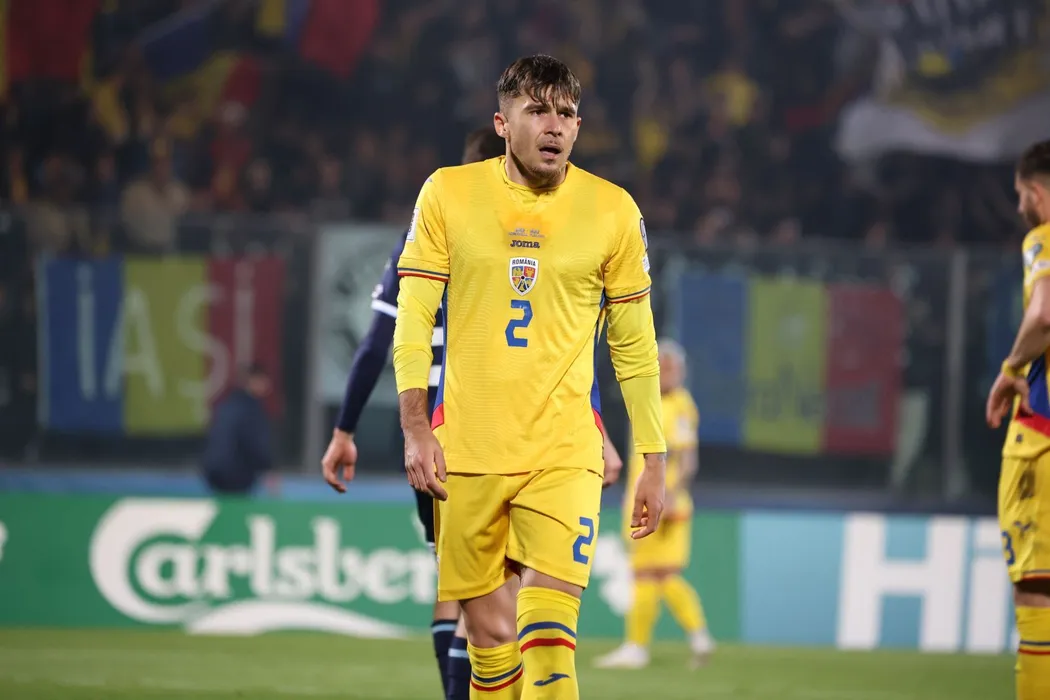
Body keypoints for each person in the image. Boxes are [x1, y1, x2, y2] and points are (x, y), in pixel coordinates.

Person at [392, 54, 666, 700]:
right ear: (502, 123)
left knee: (548, 636)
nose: (554, 125)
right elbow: (414, 317)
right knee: (491, 646)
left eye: (566, 113)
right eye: (537, 110)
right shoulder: (448, 193)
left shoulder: (612, 210)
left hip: (564, 453)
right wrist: (414, 427)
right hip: (467, 452)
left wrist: (653, 457)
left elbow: (634, 345)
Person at [322, 126, 626, 700]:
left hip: (440, 433)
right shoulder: (547, 232)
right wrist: (600, 430)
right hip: (514, 434)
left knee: (463, 595)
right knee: (507, 609)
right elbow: (564, 352)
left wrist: (344, 429)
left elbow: (377, 341)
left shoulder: (427, 229)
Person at [594, 339, 714, 670]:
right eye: (664, 367)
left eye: (673, 368)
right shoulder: (653, 401)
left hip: (663, 502)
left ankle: (648, 644)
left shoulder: (679, 405)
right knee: (651, 575)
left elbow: (687, 458)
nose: (669, 374)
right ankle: (681, 638)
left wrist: (671, 493)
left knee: (654, 573)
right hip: (653, 499)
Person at [987, 139, 1050, 700]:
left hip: (1043, 442)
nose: (1019, 208)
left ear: (1036, 192)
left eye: (1020, 196)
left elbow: (1045, 313)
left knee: (1036, 592)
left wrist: (1011, 369)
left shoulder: (1043, 238)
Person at [201, 364, 277, 495]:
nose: (266, 386)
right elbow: (255, 443)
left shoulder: (226, 404)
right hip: (237, 473)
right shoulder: (251, 409)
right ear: (253, 381)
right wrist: (268, 469)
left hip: (213, 472)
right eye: (263, 381)